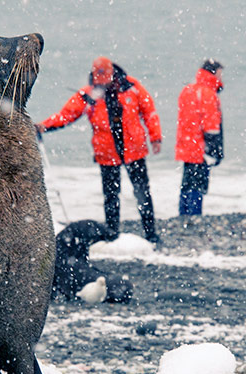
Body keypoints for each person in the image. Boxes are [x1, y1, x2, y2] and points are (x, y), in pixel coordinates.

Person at [38, 57, 163, 243]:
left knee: (142, 192)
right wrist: (44, 126)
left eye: (103, 74)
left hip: (134, 151)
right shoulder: (89, 94)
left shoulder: (132, 86)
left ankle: (151, 233)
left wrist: (156, 137)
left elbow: (149, 111)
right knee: (111, 196)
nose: (100, 79)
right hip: (107, 153)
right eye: (97, 74)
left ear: (111, 72)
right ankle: (112, 234)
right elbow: (67, 115)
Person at [176, 59, 224, 216]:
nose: (221, 78)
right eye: (219, 74)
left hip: (187, 145)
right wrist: (213, 151)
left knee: (187, 184)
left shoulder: (188, 90)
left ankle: (183, 215)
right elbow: (211, 125)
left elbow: (185, 120)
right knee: (198, 185)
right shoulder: (207, 94)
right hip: (201, 148)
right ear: (213, 73)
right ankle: (195, 216)